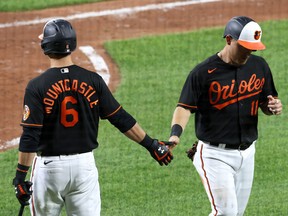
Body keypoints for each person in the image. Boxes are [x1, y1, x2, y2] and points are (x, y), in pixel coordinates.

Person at [12, 19, 173, 216]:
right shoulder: (92, 80)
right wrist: (152, 145)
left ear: (45, 45)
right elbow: (120, 118)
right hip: (84, 168)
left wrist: (20, 177)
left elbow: (31, 135)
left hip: (50, 170)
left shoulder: (37, 86)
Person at [168, 16, 282, 215]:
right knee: (226, 213)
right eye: (244, 46)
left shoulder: (259, 66)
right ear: (229, 39)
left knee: (236, 213)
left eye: (252, 47)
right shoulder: (203, 72)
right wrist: (175, 135)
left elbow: (265, 102)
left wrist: (272, 107)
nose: (249, 52)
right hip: (215, 155)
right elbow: (184, 107)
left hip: (248, 153)